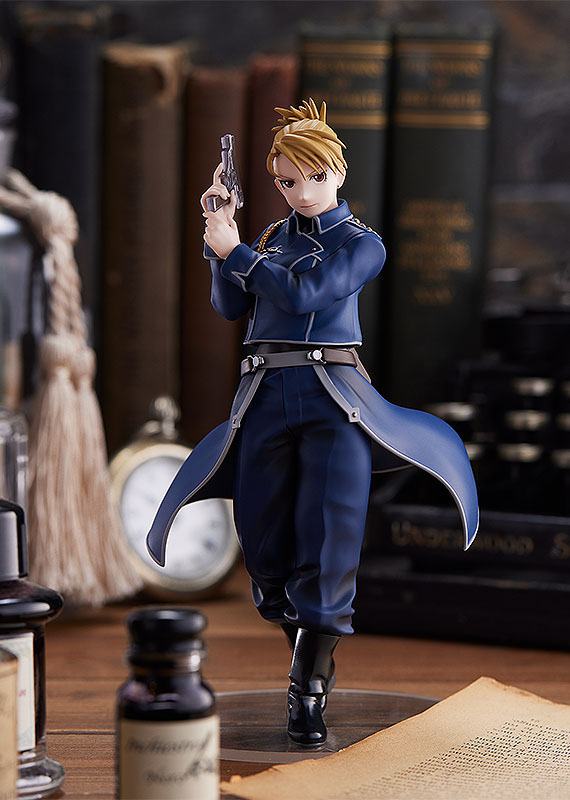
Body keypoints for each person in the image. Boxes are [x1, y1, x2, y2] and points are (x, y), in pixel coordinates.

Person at [146, 98, 479, 747]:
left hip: (334, 399)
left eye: (314, 178)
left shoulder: (362, 244)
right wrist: (219, 238)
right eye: (287, 181)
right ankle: (305, 648)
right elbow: (231, 305)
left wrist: (237, 252)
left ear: (338, 172)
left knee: (330, 542)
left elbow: (305, 294)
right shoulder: (272, 238)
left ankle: (309, 688)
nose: (302, 192)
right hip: (264, 395)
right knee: (264, 548)